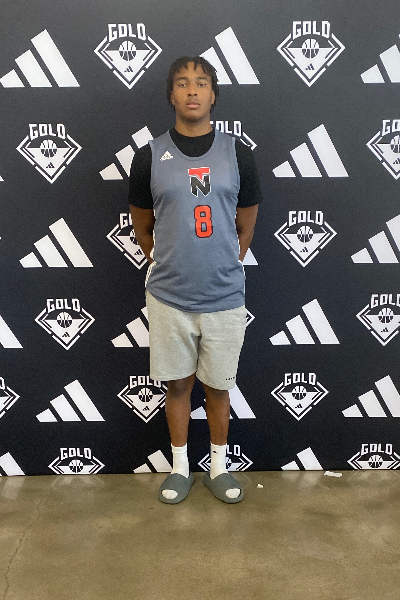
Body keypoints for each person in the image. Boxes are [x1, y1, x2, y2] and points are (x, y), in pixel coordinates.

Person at [129, 56, 262, 504]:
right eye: (182, 83)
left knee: (219, 387)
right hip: (169, 297)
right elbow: (143, 227)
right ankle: (181, 468)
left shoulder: (237, 153)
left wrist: (221, 263)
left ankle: (219, 469)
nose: (192, 90)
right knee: (177, 386)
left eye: (201, 83)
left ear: (213, 95)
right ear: (171, 94)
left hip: (225, 296)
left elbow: (246, 224)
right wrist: (172, 263)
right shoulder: (149, 156)